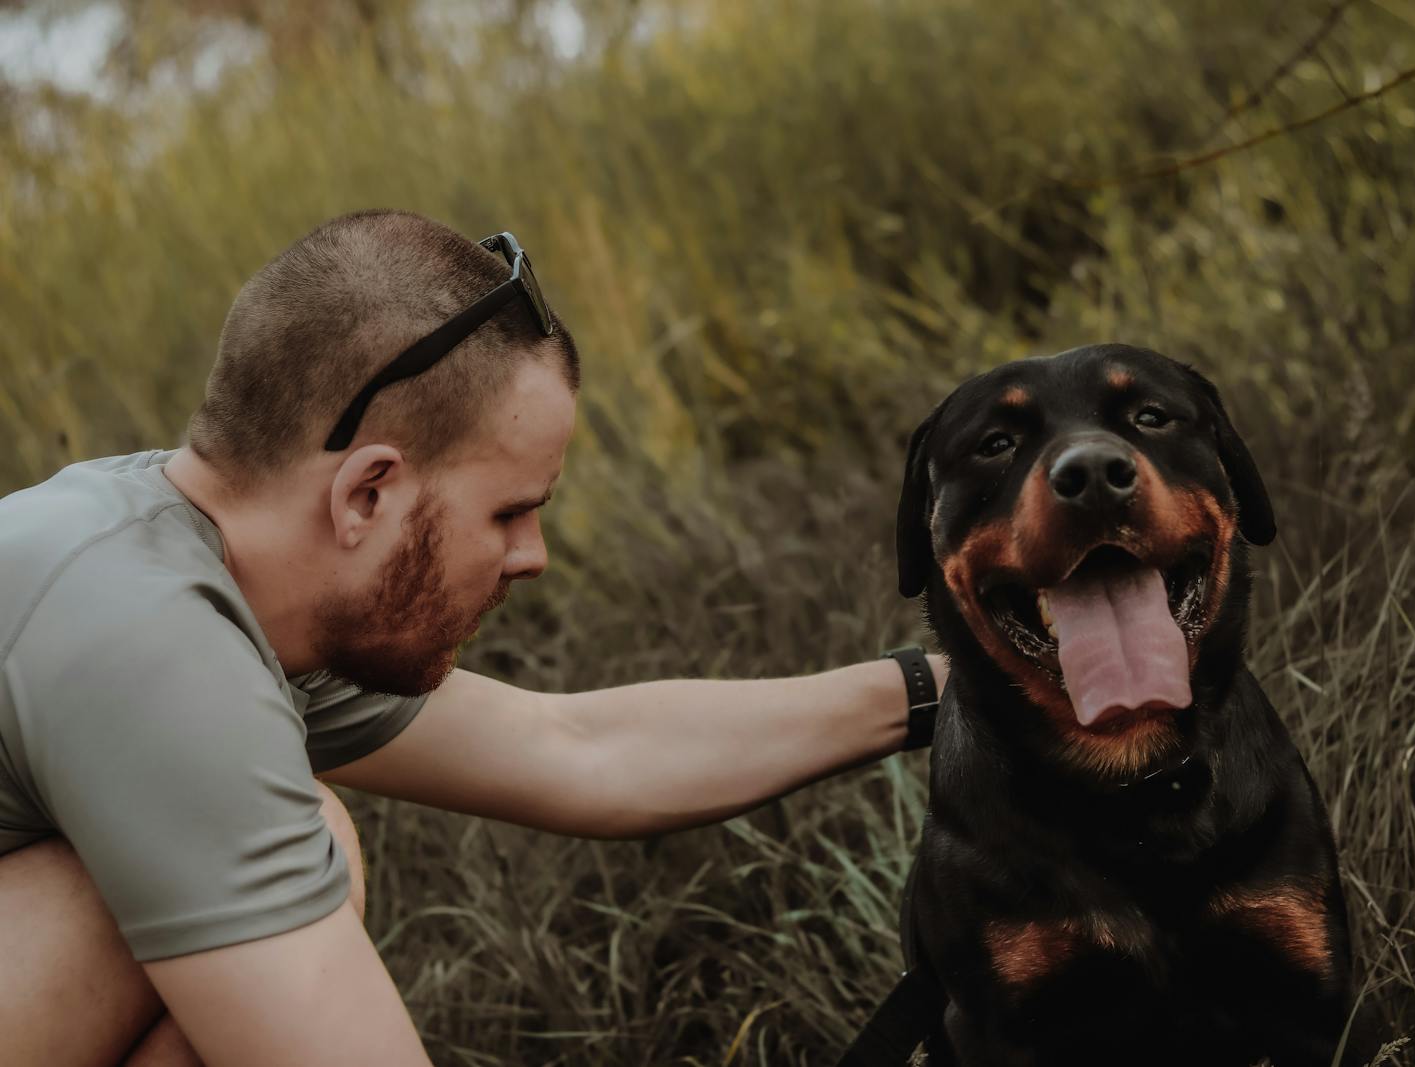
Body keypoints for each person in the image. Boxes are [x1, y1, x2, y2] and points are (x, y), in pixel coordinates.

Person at [0, 209, 946, 1067]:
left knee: (284, 845)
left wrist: (936, 690)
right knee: (208, 868)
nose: (531, 555)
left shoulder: (195, 561)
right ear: (367, 492)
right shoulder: (154, 657)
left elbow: (577, 748)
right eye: (509, 511)